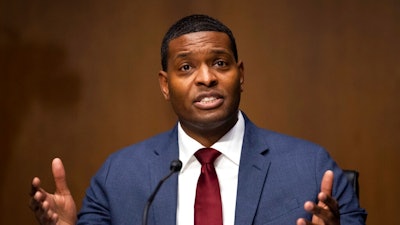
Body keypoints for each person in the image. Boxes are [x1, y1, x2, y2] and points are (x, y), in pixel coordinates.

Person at [29, 14, 367, 225]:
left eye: (220, 63)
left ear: (241, 74)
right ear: (165, 84)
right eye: (186, 67)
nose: (206, 78)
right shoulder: (119, 175)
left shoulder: (310, 168)